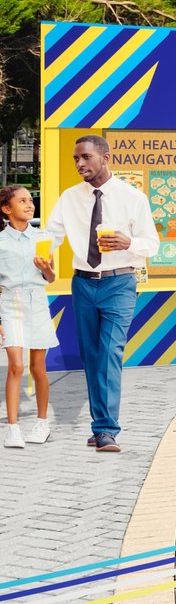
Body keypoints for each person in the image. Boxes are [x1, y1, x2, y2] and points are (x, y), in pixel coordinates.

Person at [42, 134, 159, 453]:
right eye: (76, 159)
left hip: (119, 283)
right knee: (92, 356)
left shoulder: (133, 198)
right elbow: (51, 236)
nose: (80, 163)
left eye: (86, 157)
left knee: (109, 352)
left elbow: (152, 244)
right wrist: (41, 257)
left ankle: (107, 429)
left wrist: (128, 243)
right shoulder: (69, 197)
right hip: (82, 283)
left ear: (105, 157)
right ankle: (100, 425)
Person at [1, 186, 58, 447]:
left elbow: (51, 277)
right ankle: (12, 428)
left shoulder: (43, 238)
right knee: (16, 366)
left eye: (31, 200)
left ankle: (42, 422)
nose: (29, 204)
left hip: (37, 301)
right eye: (22, 200)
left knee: (38, 367)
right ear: (7, 208)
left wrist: (47, 269)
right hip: (10, 302)